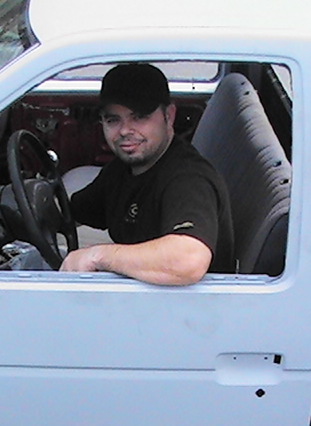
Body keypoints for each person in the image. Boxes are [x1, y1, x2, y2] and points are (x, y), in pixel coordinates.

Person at [60, 63, 234, 285]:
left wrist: (97, 256)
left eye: (139, 117)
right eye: (113, 120)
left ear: (169, 116)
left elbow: (188, 260)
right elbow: (74, 213)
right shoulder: (125, 168)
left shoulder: (188, 179)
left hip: (185, 304)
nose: (125, 130)